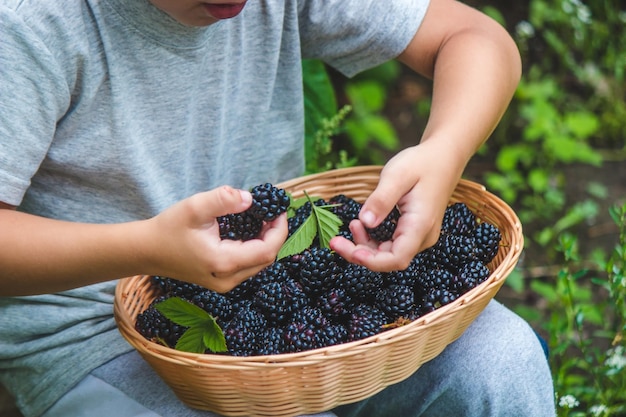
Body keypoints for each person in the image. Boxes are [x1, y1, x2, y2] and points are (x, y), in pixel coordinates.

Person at [0, 0, 556, 416]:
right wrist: (146, 250)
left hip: (281, 298)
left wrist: (443, 150)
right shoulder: (30, 23)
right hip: (95, 338)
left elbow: (476, 37)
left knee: (503, 361)